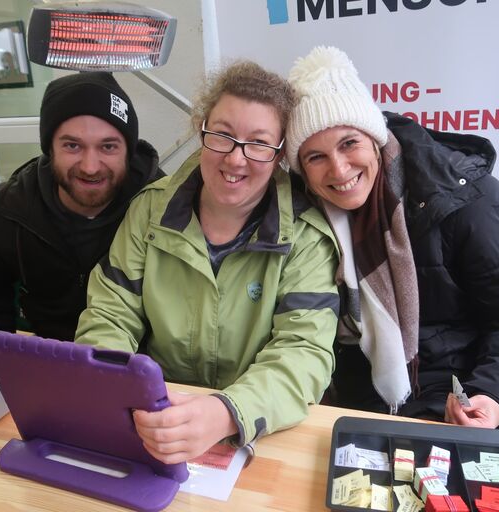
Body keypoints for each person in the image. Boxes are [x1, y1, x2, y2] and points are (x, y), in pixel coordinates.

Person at [75, 61, 339, 463]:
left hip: (257, 430)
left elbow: (303, 351)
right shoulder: (148, 212)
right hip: (154, 417)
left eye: (258, 143)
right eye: (223, 136)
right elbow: (110, 315)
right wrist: (120, 390)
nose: (236, 159)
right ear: (202, 130)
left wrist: (227, 412)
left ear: (280, 153)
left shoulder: (305, 236)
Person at [285, 46, 499, 434]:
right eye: (315, 157)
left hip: (457, 395)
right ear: (301, 171)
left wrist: (492, 397)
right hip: (349, 400)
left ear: (374, 138)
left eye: (348, 144)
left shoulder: (463, 198)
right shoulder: (300, 217)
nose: (339, 170)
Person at [0, 72, 163, 342]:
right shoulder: (4, 211)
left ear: (129, 150)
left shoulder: (164, 208)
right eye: (72, 145)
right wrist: (4, 357)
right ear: (49, 148)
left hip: (147, 367)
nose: (90, 167)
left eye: (108, 146)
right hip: (51, 359)